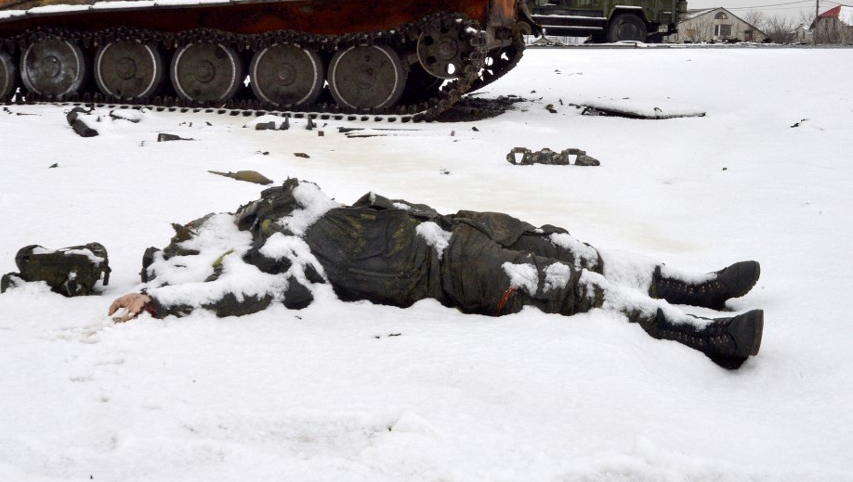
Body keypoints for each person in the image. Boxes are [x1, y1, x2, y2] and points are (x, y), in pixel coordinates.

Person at [109, 179, 763, 369]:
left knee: (569, 247)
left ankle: (693, 285)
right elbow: (250, 294)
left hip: (452, 221)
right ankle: (697, 331)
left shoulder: (299, 204)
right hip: (442, 266)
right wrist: (164, 302)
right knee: (558, 283)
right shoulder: (277, 255)